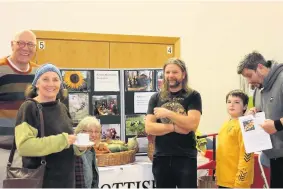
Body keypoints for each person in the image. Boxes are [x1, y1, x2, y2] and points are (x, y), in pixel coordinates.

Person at [14, 63, 86, 188]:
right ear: (36, 83)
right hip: (41, 182)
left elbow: (67, 143)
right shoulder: (29, 107)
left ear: (61, 84)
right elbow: (24, 146)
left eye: (55, 79)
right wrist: (63, 140)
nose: (51, 84)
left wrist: (79, 147)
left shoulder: (62, 108)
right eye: (45, 79)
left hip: (66, 182)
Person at [145, 57, 202, 188]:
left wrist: (168, 113)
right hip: (161, 156)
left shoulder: (193, 96)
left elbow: (192, 125)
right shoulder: (156, 98)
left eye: (175, 72)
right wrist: (174, 127)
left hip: (186, 157)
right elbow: (149, 127)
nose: (170, 76)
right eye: (167, 72)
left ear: (183, 74)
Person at [237, 51, 283, 188]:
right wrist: (252, 114)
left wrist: (277, 124)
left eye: (249, 76)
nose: (249, 81)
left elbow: (275, 123)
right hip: (274, 156)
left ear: (260, 67)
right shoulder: (258, 89)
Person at [0, 30, 38, 185]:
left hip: (32, 150)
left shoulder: (39, 73)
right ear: (12, 45)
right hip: (4, 150)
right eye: (20, 43)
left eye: (30, 44)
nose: (25, 48)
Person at [216, 90, 254, 188]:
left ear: (245, 106)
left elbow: (247, 157)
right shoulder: (225, 124)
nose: (231, 105)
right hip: (223, 180)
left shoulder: (247, 124)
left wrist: (240, 182)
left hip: (237, 183)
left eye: (236, 102)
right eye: (229, 102)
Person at [74, 116, 100, 188]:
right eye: (90, 131)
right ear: (80, 132)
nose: (94, 135)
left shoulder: (91, 150)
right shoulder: (75, 150)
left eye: (96, 131)